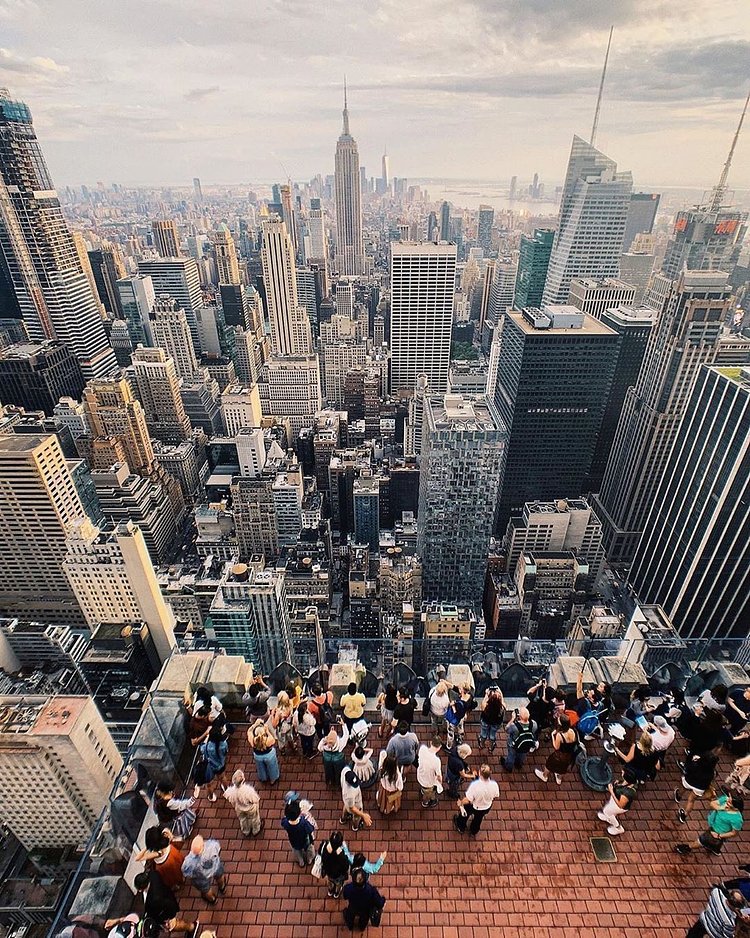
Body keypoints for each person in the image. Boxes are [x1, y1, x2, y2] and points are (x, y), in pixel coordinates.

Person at [675, 792, 744, 857]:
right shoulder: (726, 799)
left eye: (729, 802)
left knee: (701, 840)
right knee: (718, 842)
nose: (727, 801)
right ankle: (715, 849)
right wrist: (720, 808)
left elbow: (734, 833)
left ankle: (688, 847)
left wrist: (719, 835)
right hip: (713, 825)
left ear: (735, 807)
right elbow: (712, 803)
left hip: (717, 832)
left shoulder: (737, 819)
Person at [132, 870, 198, 935]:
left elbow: (164, 906)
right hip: (168, 896)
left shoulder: (154, 899)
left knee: (173, 925)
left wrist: (168, 919)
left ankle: (191, 927)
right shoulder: (153, 874)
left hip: (165, 913)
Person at [453, 764, 499, 837]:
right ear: (490, 772)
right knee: (478, 819)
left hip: (474, 805)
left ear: (479, 773)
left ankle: (460, 826)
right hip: (486, 806)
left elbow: (468, 799)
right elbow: (496, 795)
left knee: (465, 814)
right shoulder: (494, 785)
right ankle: (473, 831)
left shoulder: (475, 786)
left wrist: (461, 803)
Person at [675, 750, 719, 824]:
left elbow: (688, 769)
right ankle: (684, 815)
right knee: (691, 800)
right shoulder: (712, 773)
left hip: (689, 781)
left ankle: (678, 796)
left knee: (683, 788)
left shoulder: (696, 764)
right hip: (700, 787)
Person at [181, 835, 226, 904]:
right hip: (215, 867)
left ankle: (212, 900)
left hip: (201, 876)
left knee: (206, 889)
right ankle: (222, 888)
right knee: (220, 876)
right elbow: (218, 847)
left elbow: (185, 871)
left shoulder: (189, 862)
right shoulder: (212, 846)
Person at [534, 713, 578, 785]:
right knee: (563, 768)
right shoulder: (572, 731)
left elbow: (556, 747)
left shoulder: (560, 735)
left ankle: (544, 776)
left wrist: (552, 735)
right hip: (569, 755)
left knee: (549, 764)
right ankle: (559, 778)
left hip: (559, 755)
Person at [597, 767, 638, 836]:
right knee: (607, 811)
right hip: (614, 801)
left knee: (607, 811)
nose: (622, 772)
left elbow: (620, 804)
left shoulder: (628, 792)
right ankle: (608, 817)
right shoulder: (628, 782)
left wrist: (611, 791)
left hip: (618, 806)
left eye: (623, 773)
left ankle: (618, 827)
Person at [194, 723, 228, 801]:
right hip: (220, 765)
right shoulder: (223, 744)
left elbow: (201, 749)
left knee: (209, 785)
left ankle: (211, 797)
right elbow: (225, 752)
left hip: (209, 767)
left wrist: (207, 738)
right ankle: (226, 790)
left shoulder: (207, 746)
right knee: (222, 778)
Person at [223, 769, 261, 836]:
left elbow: (230, 799)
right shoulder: (248, 790)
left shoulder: (231, 791)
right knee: (254, 818)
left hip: (239, 808)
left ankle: (246, 831)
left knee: (242, 819)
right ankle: (256, 830)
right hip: (250, 808)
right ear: (243, 779)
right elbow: (255, 799)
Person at [281, 798, 316, 867]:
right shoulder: (303, 823)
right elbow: (311, 829)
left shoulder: (285, 823)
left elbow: (283, 822)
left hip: (294, 841)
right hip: (305, 840)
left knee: (297, 851)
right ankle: (310, 860)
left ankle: (301, 862)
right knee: (309, 850)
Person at [501, 707, 538, 772]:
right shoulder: (534, 724)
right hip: (526, 744)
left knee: (511, 755)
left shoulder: (515, 726)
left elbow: (506, 729)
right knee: (522, 754)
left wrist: (512, 719)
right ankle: (518, 764)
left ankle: (508, 767)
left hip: (513, 744)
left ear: (519, 716)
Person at [247, 719, 280, 785]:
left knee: (260, 767)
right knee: (272, 766)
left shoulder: (252, 740)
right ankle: (273, 779)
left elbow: (249, 731)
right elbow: (273, 741)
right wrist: (267, 731)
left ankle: (263, 778)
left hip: (258, 756)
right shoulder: (267, 740)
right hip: (269, 755)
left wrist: (255, 725)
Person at [319, 830, 351, 898]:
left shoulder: (324, 847)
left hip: (328, 872)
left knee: (330, 882)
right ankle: (336, 893)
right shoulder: (341, 855)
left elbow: (320, 853)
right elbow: (345, 866)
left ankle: (330, 891)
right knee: (338, 884)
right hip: (338, 875)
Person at [318, 719, 349, 786]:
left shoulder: (325, 745)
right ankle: (337, 782)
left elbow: (319, 748)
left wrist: (324, 740)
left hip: (327, 759)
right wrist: (343, 724)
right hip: (338, 760)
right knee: (338, 771)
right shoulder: (340, 743)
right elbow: (346, 735)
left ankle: (330, 781)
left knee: (328, 771)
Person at [416, 736, 443, 808]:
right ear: (439, 747)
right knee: (428, 794)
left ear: (431, 742)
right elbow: (438, 775)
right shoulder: (436, 761)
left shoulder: (422, 748)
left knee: (424, 789)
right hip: (428, 782)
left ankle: (423, 791)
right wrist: (440, 782)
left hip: (420, 775)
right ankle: (425, 802)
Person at [478, 686, 505, 752]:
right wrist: (499, 692)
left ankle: (481, 745)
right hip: (496, 723)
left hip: (486, 722)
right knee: (492, 735)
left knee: (483, 734)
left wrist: (486, 694)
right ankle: (491, 747)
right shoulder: (502, 707)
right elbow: (502, 700)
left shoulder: (486, 707)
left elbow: (482, 704)